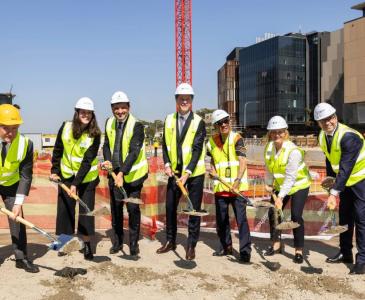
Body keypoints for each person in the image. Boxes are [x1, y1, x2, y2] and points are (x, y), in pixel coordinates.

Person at [157, 83, 206, 261]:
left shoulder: (199, 122)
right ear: (176, 100)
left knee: (193, 210)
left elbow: (197, 149)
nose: (184, 101)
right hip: (175, 173)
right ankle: (171, 241)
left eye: (187, 98)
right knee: (170, 207)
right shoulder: (169, 119)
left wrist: (188, 173)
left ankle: (191, 245)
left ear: (191, 101)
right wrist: (167, 163)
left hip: (194, 175)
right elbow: (165, 145)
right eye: (181, 98)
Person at [314, 102, 365, 274]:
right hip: (346, 182)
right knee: (344, 217)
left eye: (330, 118)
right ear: (318, 123)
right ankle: (345, 252)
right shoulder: (322, 136)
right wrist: (330, 183)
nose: (327, 122)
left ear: (335, 117)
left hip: (361, 180)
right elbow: (331, 160)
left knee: (361, 218)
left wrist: (334, 193)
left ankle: (363, 260)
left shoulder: (349, 137)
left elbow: (346, 167)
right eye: (322, 120)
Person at [50, 97, 101, 261]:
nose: (86, 115)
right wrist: (54, 170)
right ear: (77, 113)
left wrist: (75, 184)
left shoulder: (95, 134)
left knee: (86, 210)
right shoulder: (65, 127)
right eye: (83, 112)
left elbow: (87, 161)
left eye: (89, 113)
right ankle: (65, 243)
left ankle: (86, 244)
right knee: (65, 209)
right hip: (66, 174)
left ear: (92, 115)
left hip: (87, 178)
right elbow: (58, 150)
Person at [101, 91, 148, 257]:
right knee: (116, 210)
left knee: (133, 209)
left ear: (129, 107)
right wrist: (107, 161)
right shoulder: (109, 123)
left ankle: (133, 244)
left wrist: (121, 173)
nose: (120, 111)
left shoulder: (137, 126)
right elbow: (106, 145)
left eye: (123, 108)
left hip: (133, 177)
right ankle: (118, 242)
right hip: (114, 175)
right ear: (112, 109)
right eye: (116, 108)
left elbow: (134, 152)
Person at [263, 116, 311, 264]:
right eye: (274, 132)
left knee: (296, 216)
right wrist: (269, 183)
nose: (277, 135)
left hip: (298, 185)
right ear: (270, 133)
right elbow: (269, 168)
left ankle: (298, 250)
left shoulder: (293, 151)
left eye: (280, 132)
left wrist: (280, 197)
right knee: (274, 213)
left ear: (285, 132)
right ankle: (276, 244)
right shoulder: (269, 148)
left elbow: (290, 178)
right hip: (279, 185)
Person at [207, 109, 251, 262]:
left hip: (237, 189)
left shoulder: (237, 138)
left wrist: (237, 181)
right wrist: (211, 170)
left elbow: (243, 161)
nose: (224, 125)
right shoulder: (212, 141)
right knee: (222, 221)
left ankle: (245, 252)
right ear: (215, 126)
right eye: (220, 123)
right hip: (221, 188)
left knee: (242, 221)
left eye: (226, 121)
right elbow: (211, 160)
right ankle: (226, 247)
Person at [0, 104, 39, 273]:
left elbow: (25, 175)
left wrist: (18, 202)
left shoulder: (26, 145)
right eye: (5, 128)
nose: (10, 133)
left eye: (14, 128)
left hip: (11, 184)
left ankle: (21, 257)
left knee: (16, 219)